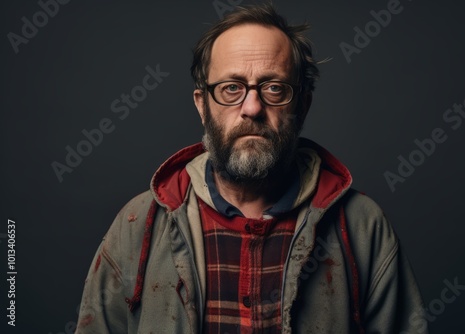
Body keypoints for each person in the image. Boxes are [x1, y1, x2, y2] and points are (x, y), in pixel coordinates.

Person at [75, 4, 427, 333]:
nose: (252, 107)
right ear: (203, 105)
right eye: (231, 88)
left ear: (302, 105)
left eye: (274, 88)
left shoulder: (363, 227)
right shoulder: (137, 226)